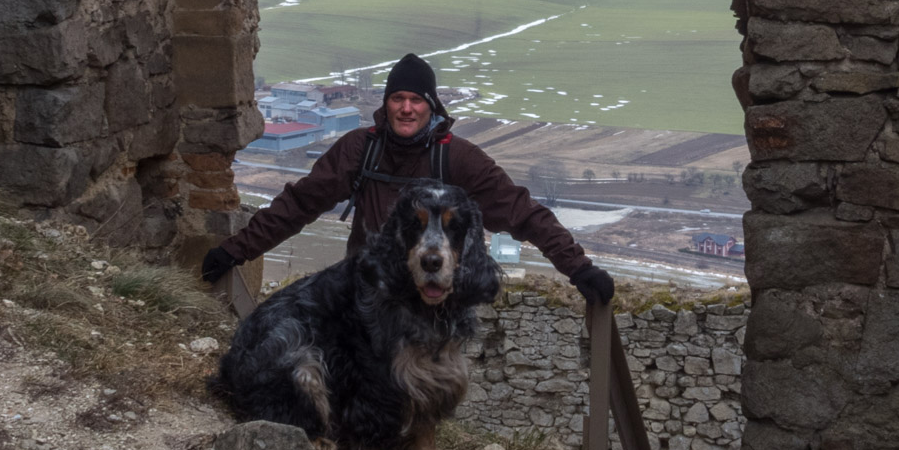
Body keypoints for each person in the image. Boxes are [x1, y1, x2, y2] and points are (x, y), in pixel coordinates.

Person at [201, 53, 617, 307]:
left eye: (415, 99)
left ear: (430, 104)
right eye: (397, 98)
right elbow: (298, 206)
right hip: (369, 289)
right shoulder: (359, 150)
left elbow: (522, 212)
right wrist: (235, 251)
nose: (405, 108)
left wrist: (578, 268)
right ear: (386, 104)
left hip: (432, 297)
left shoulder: (456, 157)